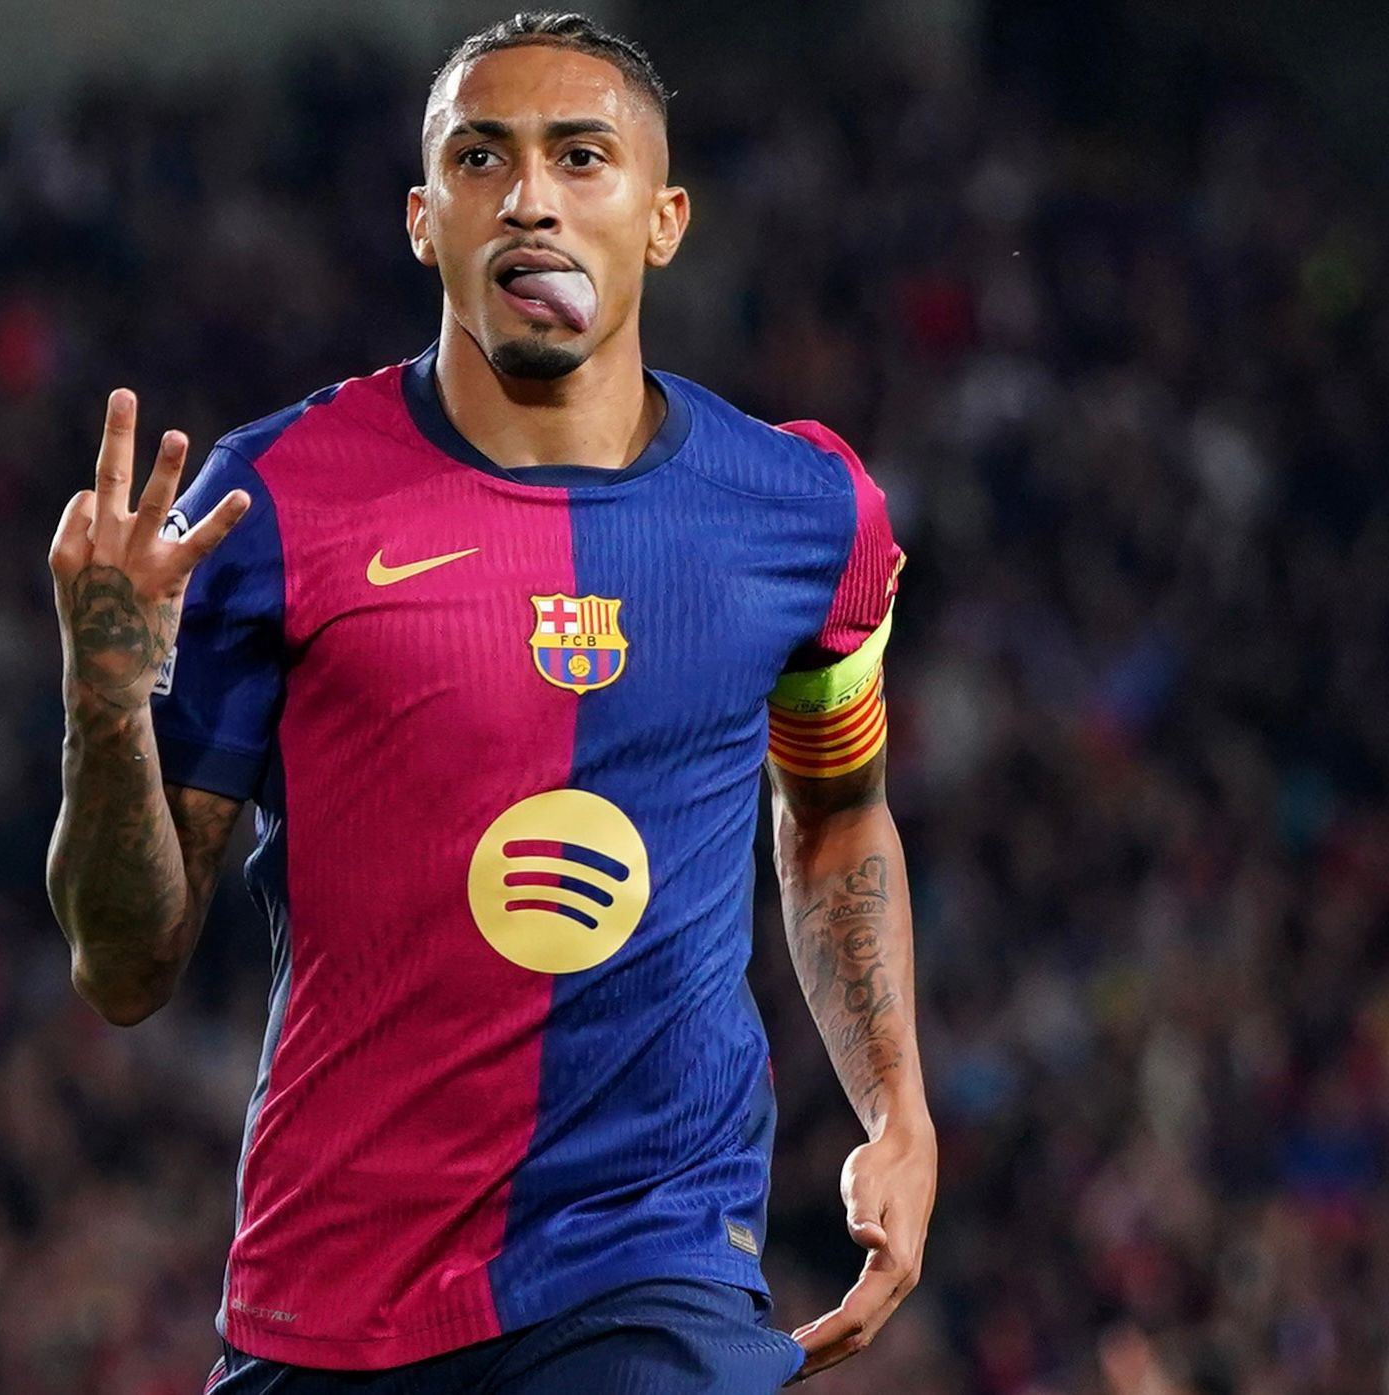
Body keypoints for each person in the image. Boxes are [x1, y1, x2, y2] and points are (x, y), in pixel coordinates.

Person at [46, 12, 936, 1391]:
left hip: (652, 1264)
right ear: (424, 220)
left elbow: (834, 818)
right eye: (480, 158)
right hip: (335, 1295)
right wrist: (106, 700)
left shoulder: (806, 513)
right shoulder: (271, 503)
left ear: (663, 220)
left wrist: (897, 1110)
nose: (529, 196)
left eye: (581, 156)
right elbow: (125, 967)